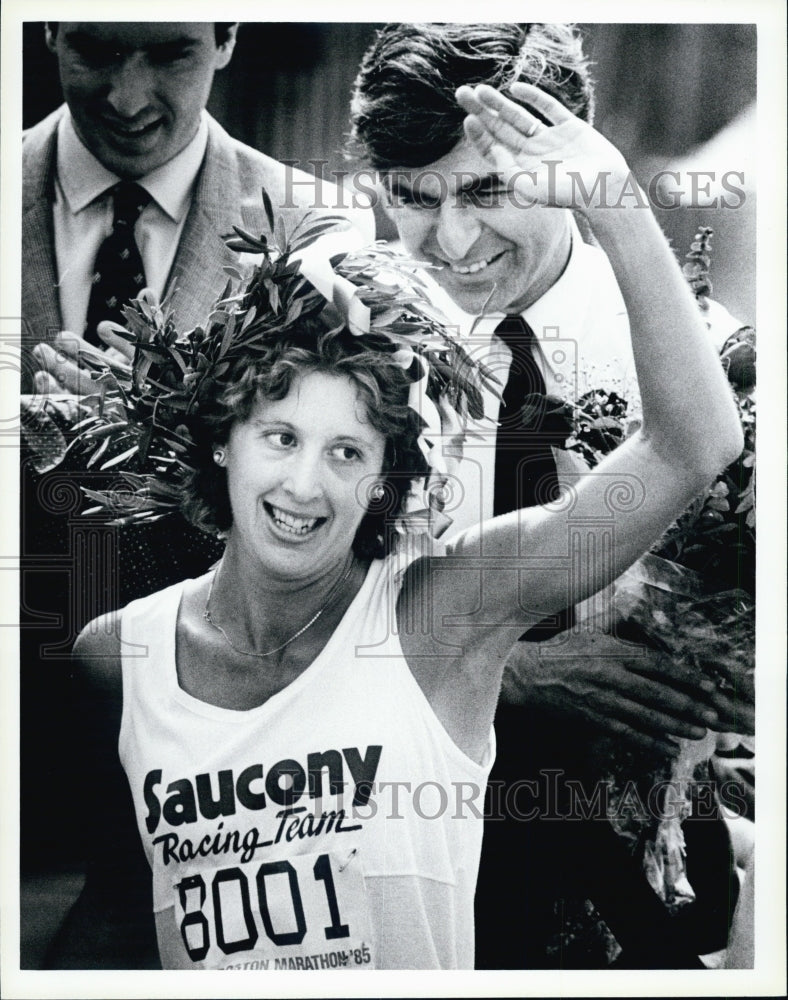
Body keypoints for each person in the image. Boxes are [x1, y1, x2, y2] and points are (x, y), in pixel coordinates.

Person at [45, 79, 743, 970]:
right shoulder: (120, 655)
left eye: (347, 453)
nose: (305, 483)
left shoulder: (441, 614)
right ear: (222, 439)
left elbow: (693, 445)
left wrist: (616, 200)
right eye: (279, 436)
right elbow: (121, 898)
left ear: (387, 480)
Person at [349, 22, 753, 966]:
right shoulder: (341, 353)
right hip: (384, 896)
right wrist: (510, 671)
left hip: (645, 911)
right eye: (411, 197)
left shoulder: (706, 363)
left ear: (574, 157)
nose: (451, 241)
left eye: (489, 189)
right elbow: (253, 625)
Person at [19, 22, 374, 880]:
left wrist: (154, 438)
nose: (129, 97)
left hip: (215, 776)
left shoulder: (321, 233)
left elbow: (334, 513)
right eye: (97, 51)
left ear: (227, 37)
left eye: (171, 55)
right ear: (49, 29)